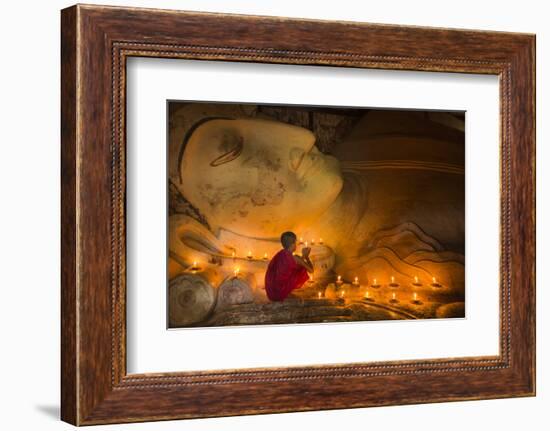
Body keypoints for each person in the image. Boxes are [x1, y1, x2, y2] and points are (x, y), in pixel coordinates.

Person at [264, 231, 314, 302]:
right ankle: (284, 294)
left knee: (298, 269)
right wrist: (306, 257)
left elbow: (294, 266)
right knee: (301, 269)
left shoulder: (280, 254)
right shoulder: (295, 258)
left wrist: (302, 258)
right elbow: (311, 270)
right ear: (293, 244)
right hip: (279, 293)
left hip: (271, 291)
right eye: (296, 242)